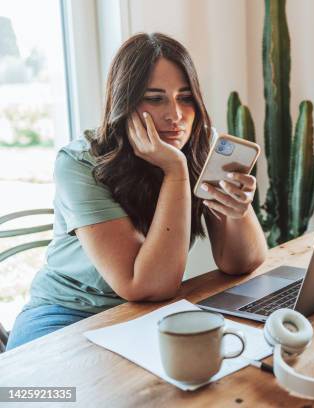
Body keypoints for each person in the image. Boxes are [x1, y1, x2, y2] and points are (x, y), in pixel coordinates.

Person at [6, 33, 267, 350]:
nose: (175, 115)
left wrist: (237, 211)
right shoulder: (79, 163)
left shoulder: (199, 146)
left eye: (185, 98)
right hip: (66, 314)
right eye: (155, 99)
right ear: (124, 103)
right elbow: (144, 285)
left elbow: (241, 262)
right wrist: (175, 171)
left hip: (150, 314)